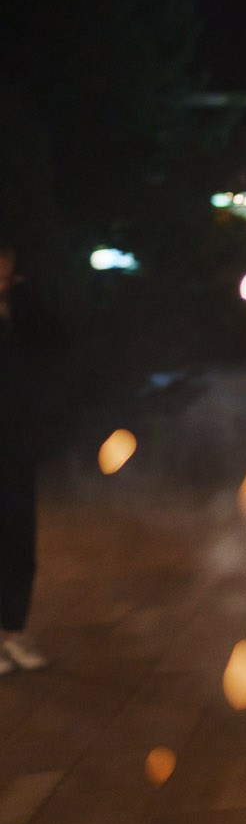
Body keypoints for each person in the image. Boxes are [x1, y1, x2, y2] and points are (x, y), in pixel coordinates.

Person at [0, 244, 55, 673]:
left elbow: (50, 343)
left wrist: (21, 298)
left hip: (16, 445)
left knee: (20, 540)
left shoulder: (19, 312)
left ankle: (14, 632)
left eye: (7, 272)